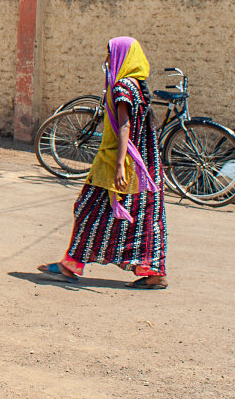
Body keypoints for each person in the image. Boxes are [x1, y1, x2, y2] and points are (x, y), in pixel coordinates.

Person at [40, 36, 168, 289]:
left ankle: (71, 265)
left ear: (122, 57)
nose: (107, 60)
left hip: (119, 163)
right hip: (146, 165)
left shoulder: (122, 88)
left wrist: (119, 165)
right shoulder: (140, 86)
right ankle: (153, 271)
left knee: (86, 209)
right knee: (144, 218)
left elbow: (124, 125)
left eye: (110, 54)